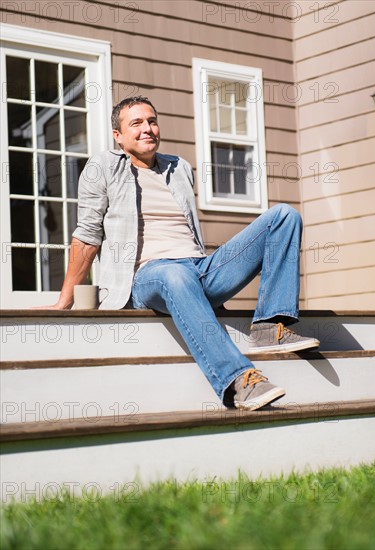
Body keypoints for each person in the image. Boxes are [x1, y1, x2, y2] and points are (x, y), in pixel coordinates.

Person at [41, 95, 319, 411]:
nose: (148, 128)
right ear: (118, 136)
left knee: (283, 215)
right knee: (174, 272)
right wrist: (65, 300)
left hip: (199, 270)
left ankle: (269, 325)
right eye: (136, 123)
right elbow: (87, 236)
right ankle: (238, 379)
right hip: (148, 276)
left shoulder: (179, 167)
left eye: (152, 121)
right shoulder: (103, 166)